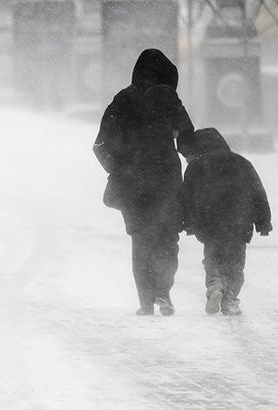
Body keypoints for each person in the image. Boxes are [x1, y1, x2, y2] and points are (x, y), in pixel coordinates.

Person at [93, 49, 195, 316]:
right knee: (166, 237)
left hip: (131, 184)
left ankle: (146, 301)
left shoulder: (121, 101)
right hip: (166, 181)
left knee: (141, 240)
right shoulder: (167, 97)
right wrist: (197, 159)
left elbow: (100, 144)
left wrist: (119, 168)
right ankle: (163, 291)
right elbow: (186, 134)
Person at [182, 128, 272, 315]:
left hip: (209, 223)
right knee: (235, 263)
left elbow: (187, 198)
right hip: (239, 222)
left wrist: (188, 222)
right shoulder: (241, 163)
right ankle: (230, 298)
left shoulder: (195, 167)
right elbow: (258, 193)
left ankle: (215, 285)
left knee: (212, 258)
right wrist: (263, 222)